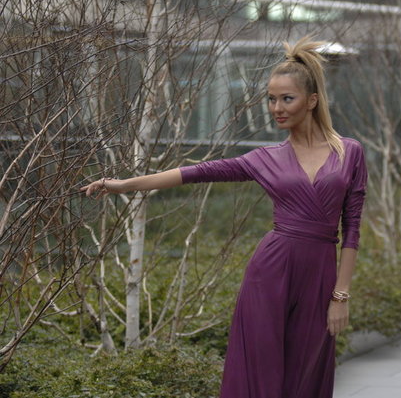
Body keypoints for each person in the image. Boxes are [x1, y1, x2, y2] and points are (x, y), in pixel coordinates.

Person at [81, 36, 368, 398]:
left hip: (320, 277)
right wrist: (126, 185)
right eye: (271, 99)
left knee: (305, 377)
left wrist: (340, 296)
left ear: (312, 100)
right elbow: (198, 172)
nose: (276, 108)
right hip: (270, 273)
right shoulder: (265, 158)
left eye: (287, 98)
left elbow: (352, 228)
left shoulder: (349, 153)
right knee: (261, 373)